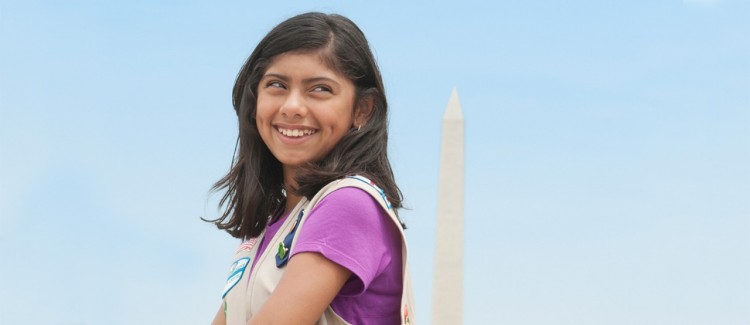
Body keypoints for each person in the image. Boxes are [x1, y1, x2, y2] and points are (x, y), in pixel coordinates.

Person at [206, 12, 415, 325]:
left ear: (362, 109)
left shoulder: (348, 203)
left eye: (319, 89)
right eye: (276, 85)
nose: (292, 107)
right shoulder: (272, 225)